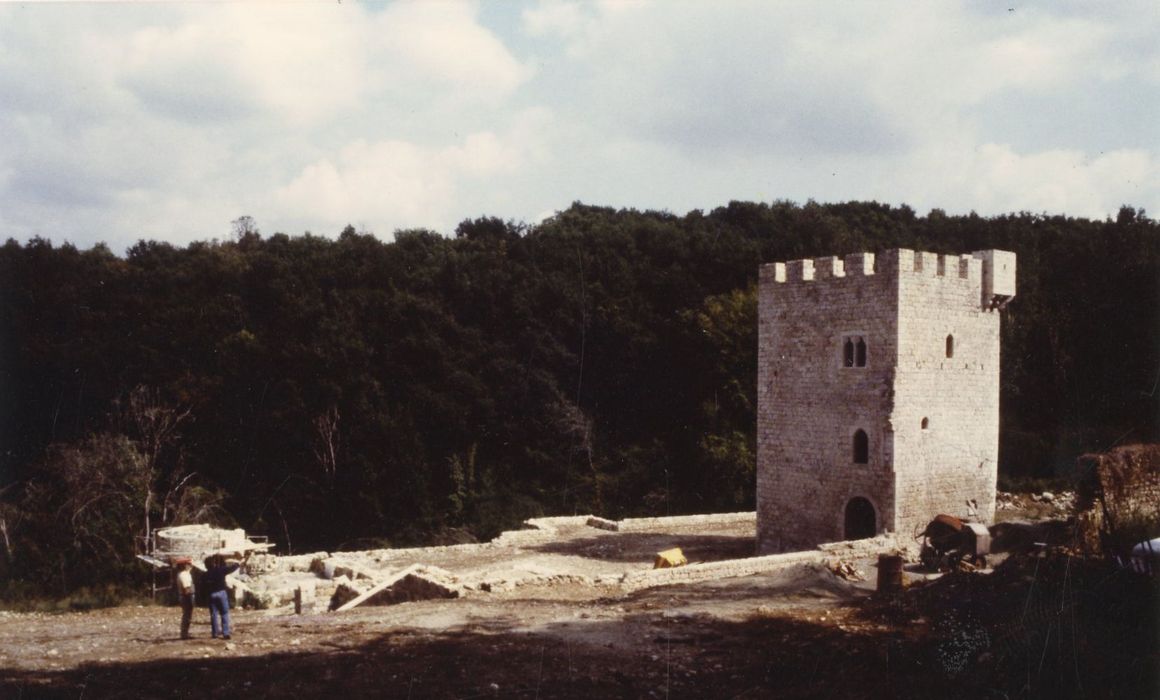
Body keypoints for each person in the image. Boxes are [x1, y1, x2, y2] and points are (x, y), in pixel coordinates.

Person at [202, 552, 249, 640]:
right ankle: (225, 633)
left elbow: (203, 587)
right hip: (221, 592)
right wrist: (239, 563)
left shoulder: (205, 574)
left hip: (211, 594)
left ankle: (215, 633)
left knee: (214, 614)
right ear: (214, 563)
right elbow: (231, 568)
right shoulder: (220, 570)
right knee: (224, 613)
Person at [175, 559, 195, 639]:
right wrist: (189, 598)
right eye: (189, 564)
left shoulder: (184, 574)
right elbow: (186, 588)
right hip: (186, 596)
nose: (191, 566)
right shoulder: (184, 575)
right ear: (185, 565)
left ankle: (185, 633)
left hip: (185, 596)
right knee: (187, 616)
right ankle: (184, 634)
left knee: (187, 615)